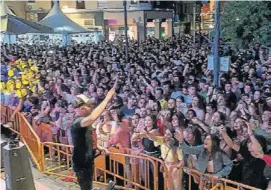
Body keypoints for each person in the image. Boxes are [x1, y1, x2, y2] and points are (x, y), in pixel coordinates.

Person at [70, 78, 118, 190]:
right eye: (89, 105)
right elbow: (92, 118)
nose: (92, 107)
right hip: (82, 164)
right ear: (82, 109)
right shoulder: (77, 122)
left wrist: (99, 147)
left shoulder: (85, 123)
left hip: (87, 162)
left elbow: (88, 139)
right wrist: (107, 98)